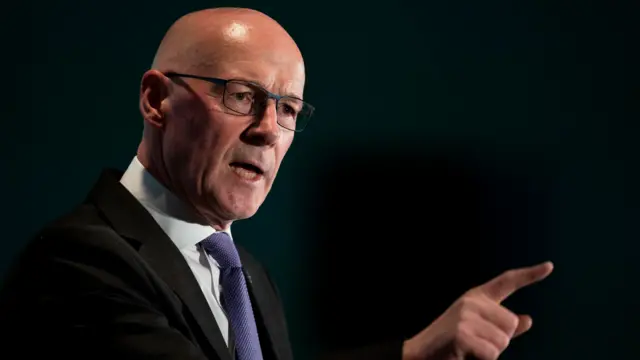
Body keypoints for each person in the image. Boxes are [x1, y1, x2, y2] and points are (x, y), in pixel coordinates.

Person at [0, 7, 554, 360]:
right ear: (156, 100)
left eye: (288, 108)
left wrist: (414, 353)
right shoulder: (79, 261)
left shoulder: (248, 277)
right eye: (241, 96)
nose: (268, 130)